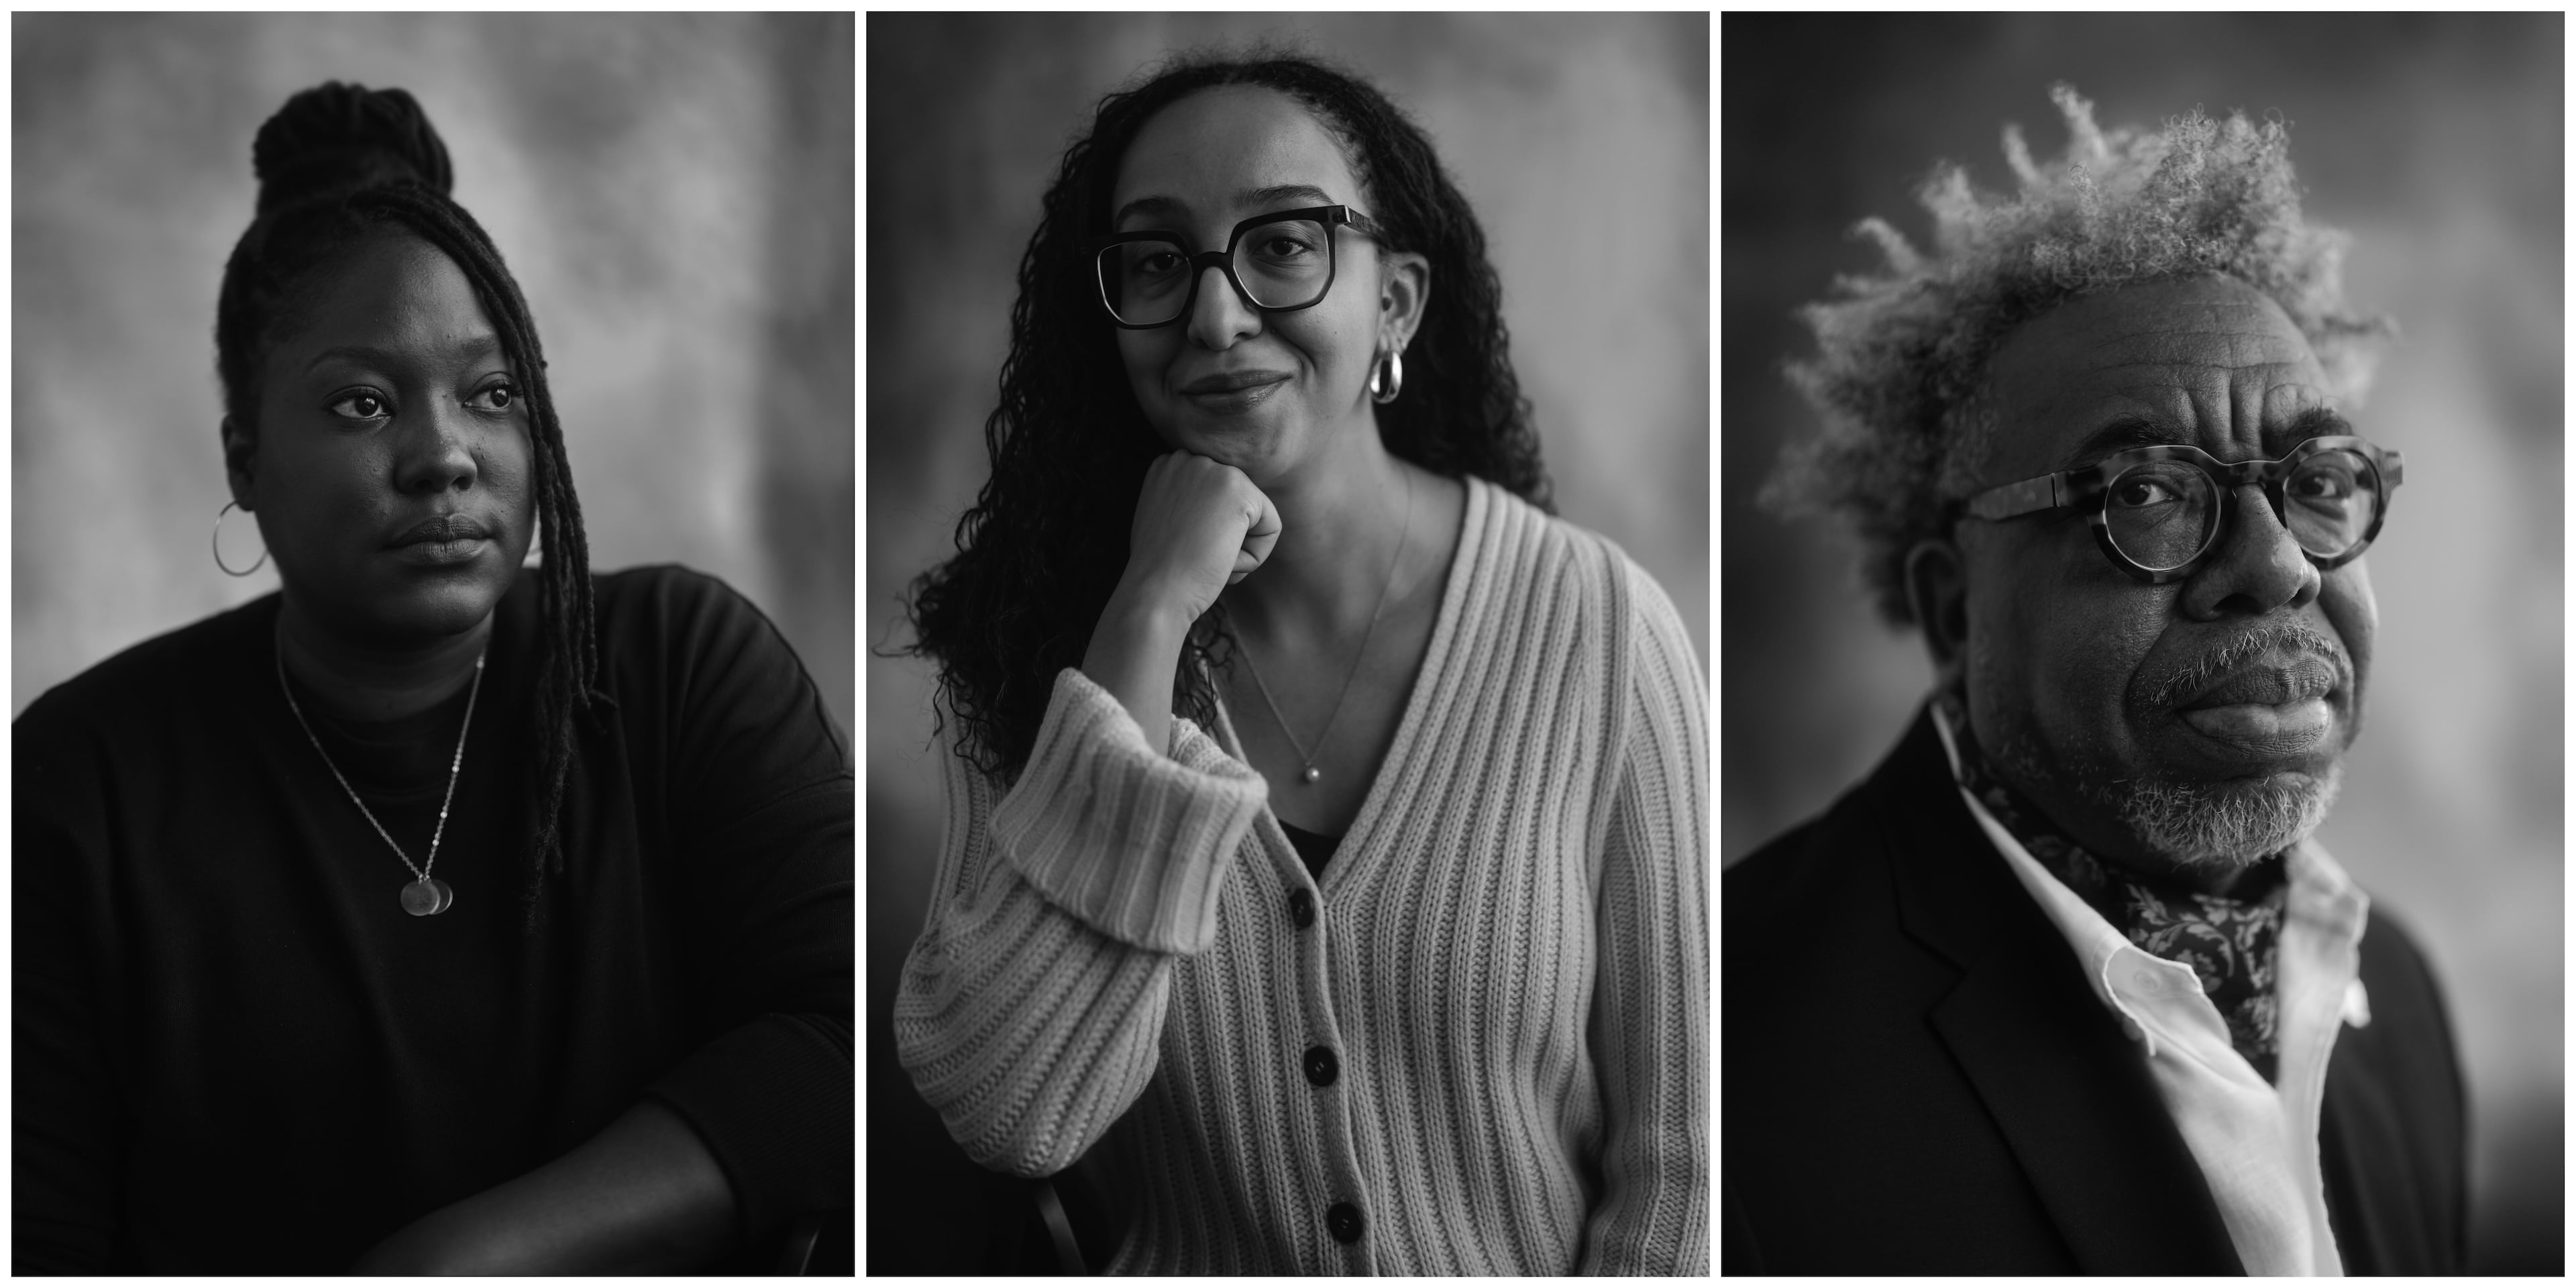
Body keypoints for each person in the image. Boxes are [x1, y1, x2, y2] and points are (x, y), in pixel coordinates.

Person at [12, 83, 853, 1273]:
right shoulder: (76, 783)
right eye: (363, 403)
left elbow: (846, 1043)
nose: (445, 454)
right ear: (244, 459)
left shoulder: (676, 666)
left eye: (492, 393)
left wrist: (464, 1259)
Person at [896, 52, 1706, 1275]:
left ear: (1395, 304)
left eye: (1284, 243)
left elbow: (1678, 1181)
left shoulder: (1601, 631)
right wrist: (1147, 616)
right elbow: (1016, 1111)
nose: (1215, 318)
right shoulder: (1027, 659)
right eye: (1159, 262)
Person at [1725, 87, 2465, 1275]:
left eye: (2317, 482)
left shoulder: (2405, 1002)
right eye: (2149, 496)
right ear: (1953, 607)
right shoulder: (1729, 1048)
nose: (2276, 569)